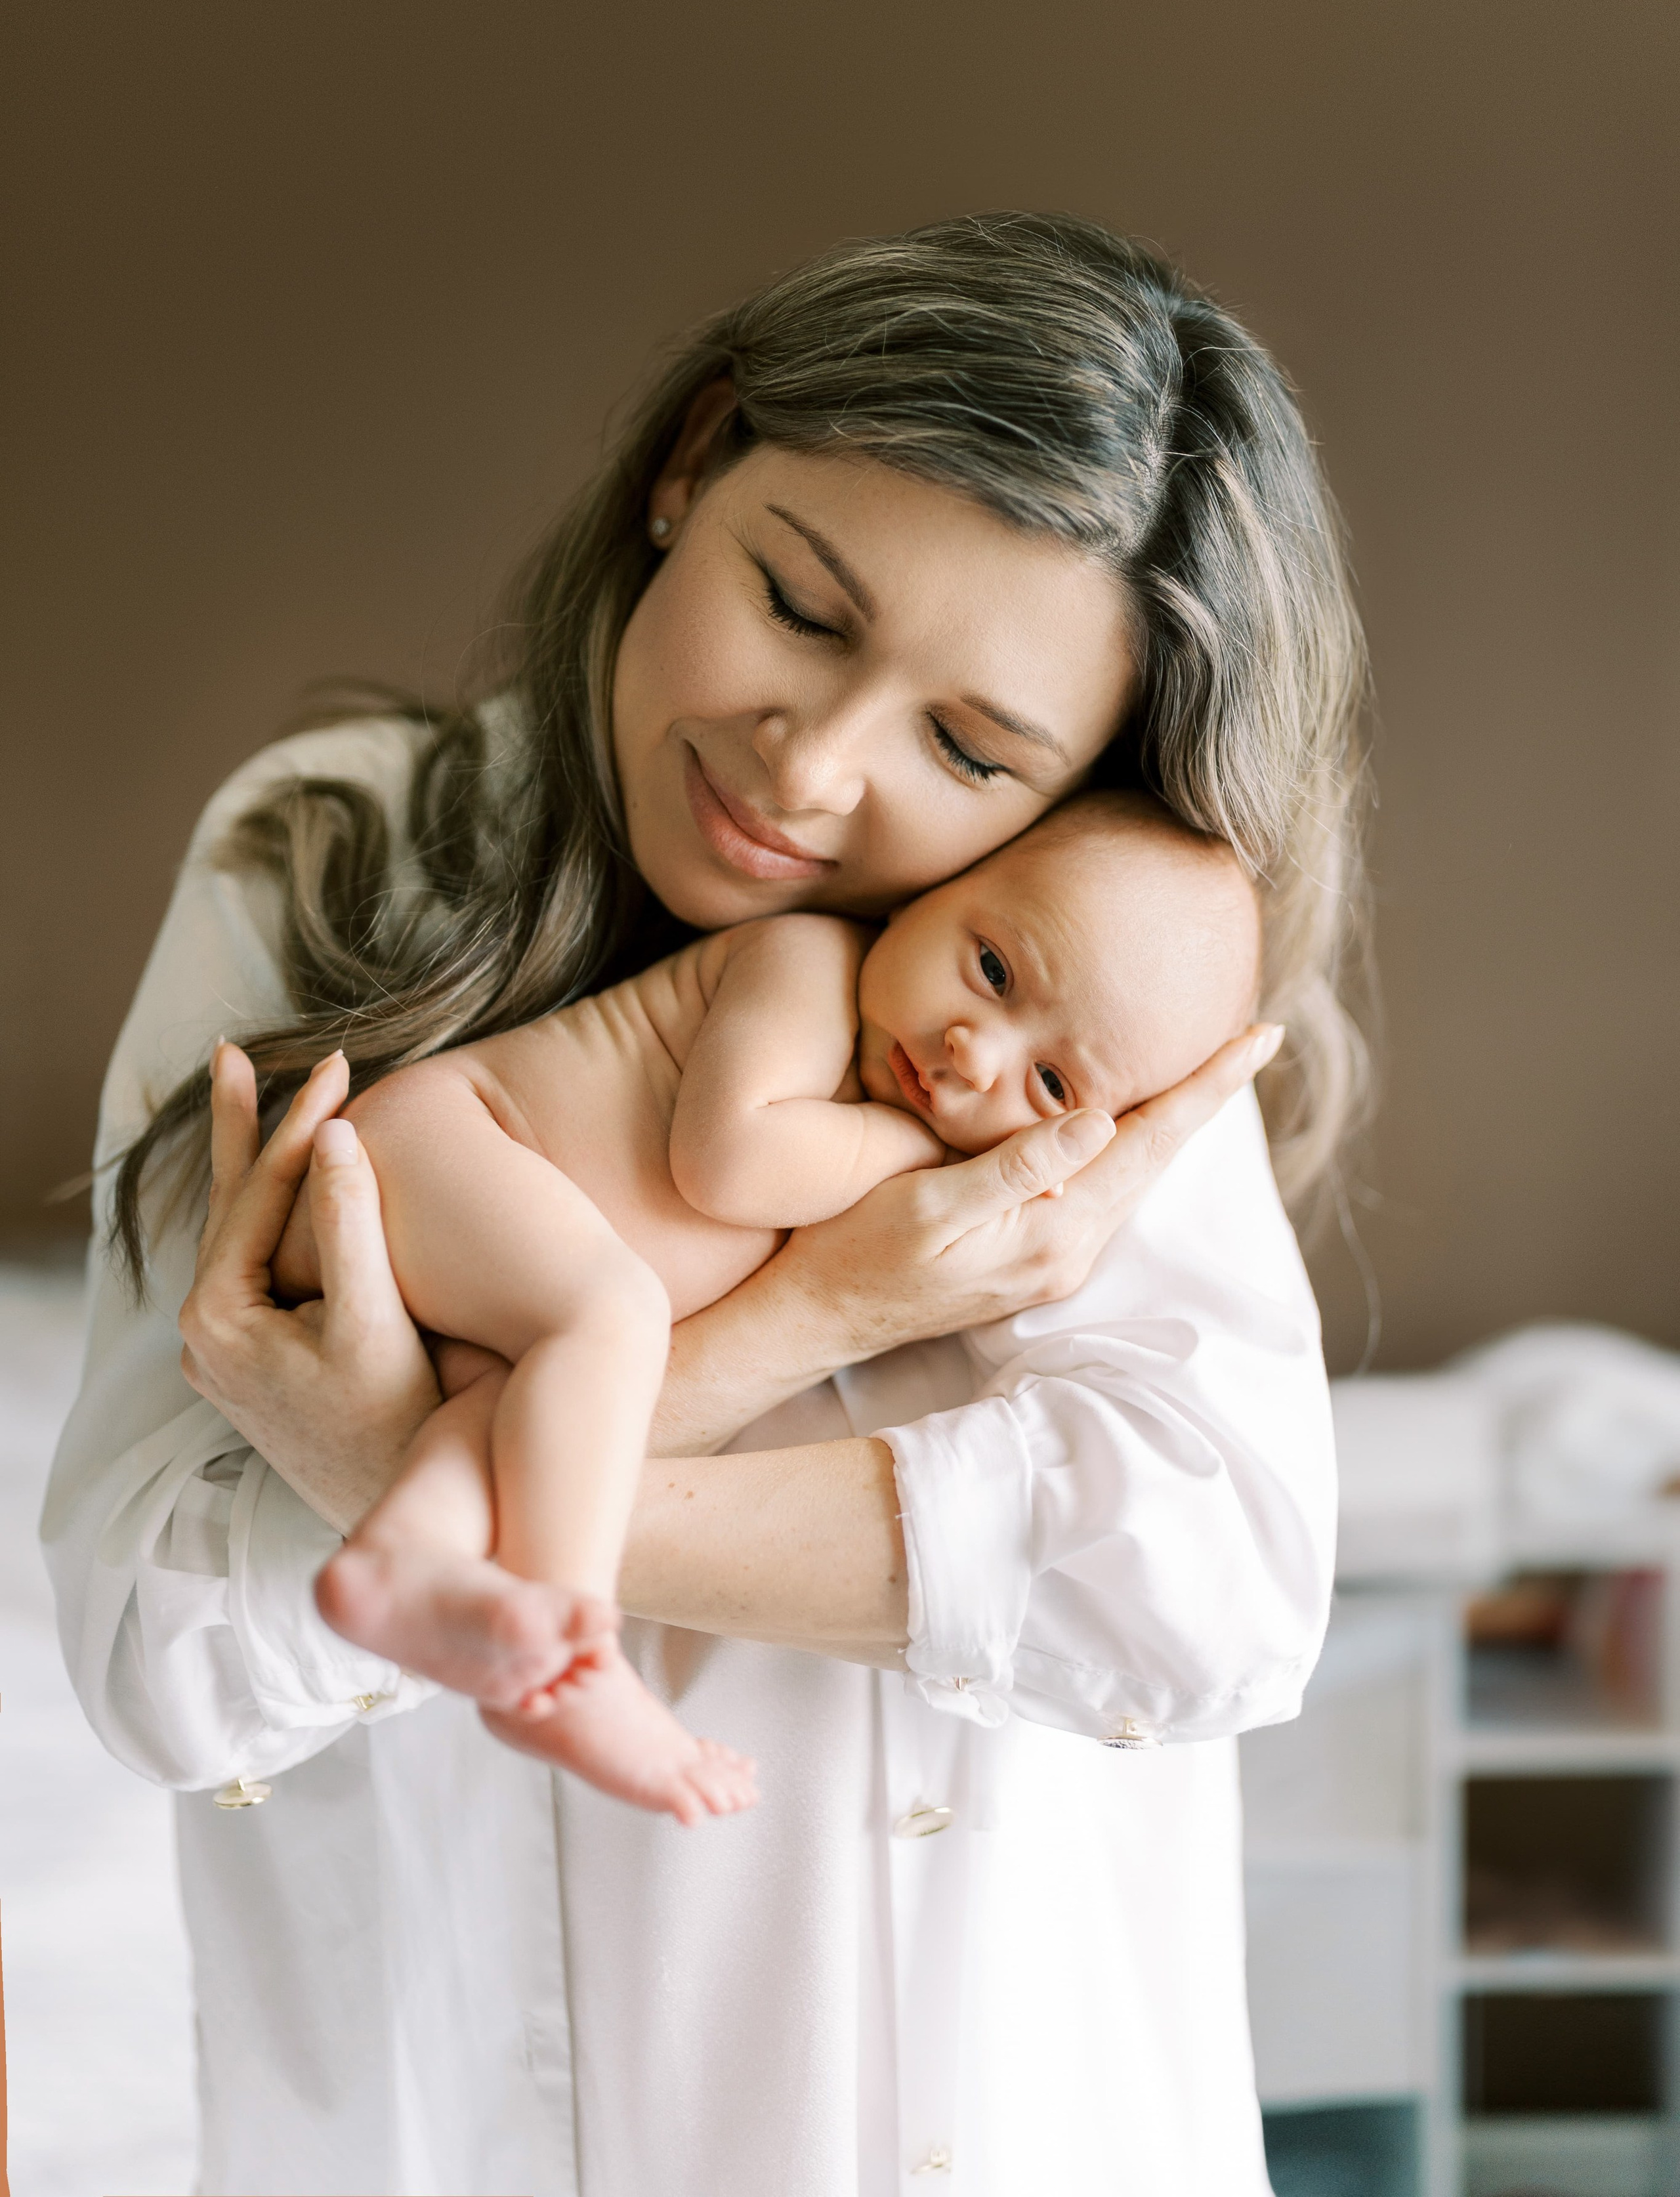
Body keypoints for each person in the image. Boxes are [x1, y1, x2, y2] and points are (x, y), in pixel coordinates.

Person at [46, 214, 1365, 2196]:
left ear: (1082, 790)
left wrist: (409, 1478)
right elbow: (166, 1665)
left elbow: (1211, 1593)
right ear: (694, 457)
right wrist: (820, 1314)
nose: (811, 772)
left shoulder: (1080, 974)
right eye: (800, 608)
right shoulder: (342, 852)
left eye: (966, 747)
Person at [251, 793, 1265, 1816]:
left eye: (1049, 1084)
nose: (975, 1050)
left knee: (511, 1415)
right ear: (935, 889)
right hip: (437, 1147)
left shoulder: (888, 1103)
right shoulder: (808, 964)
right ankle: (572, 1652)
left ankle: (403, 1562)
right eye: (994, 970)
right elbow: (729, 1162)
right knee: (614, 1319)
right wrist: (918, 1153)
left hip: (487, 1287)